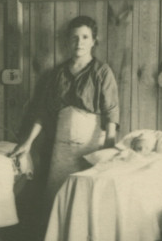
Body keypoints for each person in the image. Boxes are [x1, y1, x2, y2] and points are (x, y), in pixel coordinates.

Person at [10, 15, 120, 205]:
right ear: (68, 40)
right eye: (74, 37)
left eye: (85, 37)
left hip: (91, 148)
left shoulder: (102, 72)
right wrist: (27, 143)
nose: (79, 42)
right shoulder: (57, 74)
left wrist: (109, 149)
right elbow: (43, 113)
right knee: (57, 201)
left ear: (94, 41)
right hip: (61, 149)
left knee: (87, 202)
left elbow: (111, 112)